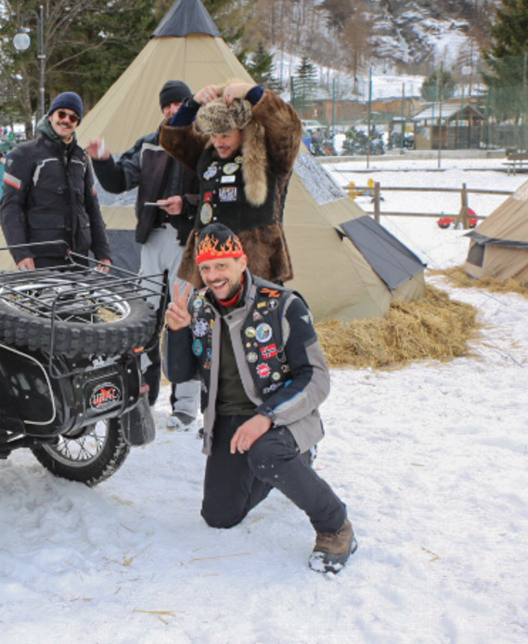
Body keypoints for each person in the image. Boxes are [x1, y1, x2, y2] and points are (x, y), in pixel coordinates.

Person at [163, 222, 356, 573]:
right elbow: (180, 374)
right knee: (219, 516)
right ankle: (289, 466)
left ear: (242, 261)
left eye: (221, 265)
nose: (212, 276)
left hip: (282, 415)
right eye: (205, 268)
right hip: (229, 421)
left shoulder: (283, 305)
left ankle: (335, 525)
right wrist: (177, 332)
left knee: (266, 454)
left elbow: (316, 378)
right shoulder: (201, 307)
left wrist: (266, 416)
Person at [87, 80, 201, 431]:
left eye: (179, 103)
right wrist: (103, 160)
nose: (172, 110)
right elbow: (120, 180)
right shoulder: (150, 143)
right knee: (145, 319)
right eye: (167, 105)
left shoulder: (203, 142)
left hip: (187, 241)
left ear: (189, 105)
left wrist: (187, 204)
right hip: (152, 239)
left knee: (184, 318)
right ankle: (143, 394)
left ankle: (184, 406)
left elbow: (217, 192)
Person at [160, 81, 302, 288]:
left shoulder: (272, 154)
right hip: (210, 260)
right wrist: (193, 103)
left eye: (226, 135)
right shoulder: (208, 152)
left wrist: (252, 93)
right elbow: (174, 137)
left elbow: (288, 127)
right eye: (214, 135)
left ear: (243, 131)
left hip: (256, 261)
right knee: (210, 319)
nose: (219, 142)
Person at [0, 91, 112, 270]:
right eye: (61, 114)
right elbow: (10, 208)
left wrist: (103, 253)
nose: (66, 120)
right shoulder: (24, 154)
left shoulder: (81, 158)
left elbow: (92, 207)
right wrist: (21, 253)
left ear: (77, 123)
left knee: (78, 299)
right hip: (41, 257)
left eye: (73, 117)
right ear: (51, 115)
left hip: (78, 257)